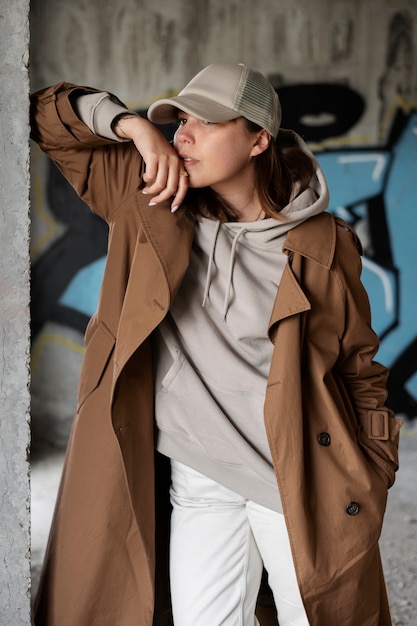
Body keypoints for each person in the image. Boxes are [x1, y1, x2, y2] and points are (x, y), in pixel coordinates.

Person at [30, 63, 403, 626]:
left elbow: (358, 367)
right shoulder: (151, 203)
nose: (183, 133)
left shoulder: (324, 245)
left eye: (205, 121)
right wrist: (133, 128)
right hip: (199, 479)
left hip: (297, 481)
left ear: (258, 139)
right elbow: (45, 115)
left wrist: (373, 467)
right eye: (180, 120)